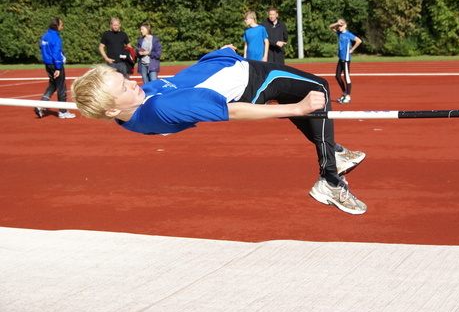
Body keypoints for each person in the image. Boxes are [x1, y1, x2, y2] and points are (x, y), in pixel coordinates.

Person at [71, 45, 367, 215]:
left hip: (230, 66)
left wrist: (215, 56)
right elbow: (233, 111)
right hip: (249, 79)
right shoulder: (161, 109)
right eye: (123, 87)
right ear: (111, 110)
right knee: (319, 88)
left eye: (125, 79)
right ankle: (330, 179)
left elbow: (186, 81)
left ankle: (334, 154)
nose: (133, 82)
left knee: (296, 94)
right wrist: (297, 109)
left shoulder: (131, 111)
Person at [35, 17, 76, 119]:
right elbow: (56, 53)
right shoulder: (56, 38)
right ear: (56, 26)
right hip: (55, 64)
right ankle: (63, 111)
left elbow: (42, 49)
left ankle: (41, 105)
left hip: (48, 64)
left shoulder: (45, 36)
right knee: (61, 86)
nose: (62, 26)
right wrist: (58, 67)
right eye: (61, 24)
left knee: (52, 85)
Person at [329, 19, 362, 104]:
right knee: (337, 76)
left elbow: (358, 41)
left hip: (346, 59)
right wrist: (337, 23)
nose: (339, 27)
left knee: (347, 77)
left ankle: (348, 96)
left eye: (341, 25)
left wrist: (352, 49)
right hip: (341, 58)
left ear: (345, 25)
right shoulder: (339, 33)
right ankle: (344, 92)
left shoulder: (348, 34)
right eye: (339, 26)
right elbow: (330, 27)